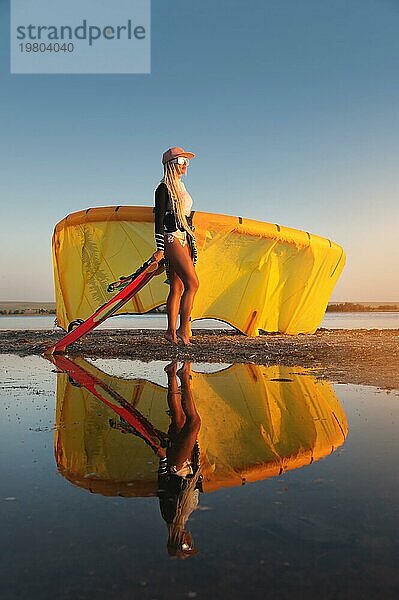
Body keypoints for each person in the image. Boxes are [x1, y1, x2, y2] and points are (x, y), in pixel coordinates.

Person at [152, 146, 199, 346]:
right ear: (171, 165)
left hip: (184, 238)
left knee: (177, 287)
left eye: (186, 161)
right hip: (172, 238)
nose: (185, 165)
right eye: (181, 161)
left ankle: (170, 332)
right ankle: (183, 328)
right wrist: (160, 248)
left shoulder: (181, 187)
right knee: (193, 284)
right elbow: (159, 219)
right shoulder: (163, 188)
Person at [157, 361, 202, 559]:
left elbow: (163, 487)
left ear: (178, 541)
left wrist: (163, 460)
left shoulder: (171, 516)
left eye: (186, 545)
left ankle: (184, 377)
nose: (190, 540)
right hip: (186, 464)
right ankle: (170, 374)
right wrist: (197, 455)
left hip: (176, 466)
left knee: (193, 422)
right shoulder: (180, 518)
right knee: (179, 419)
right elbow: (193, 484)